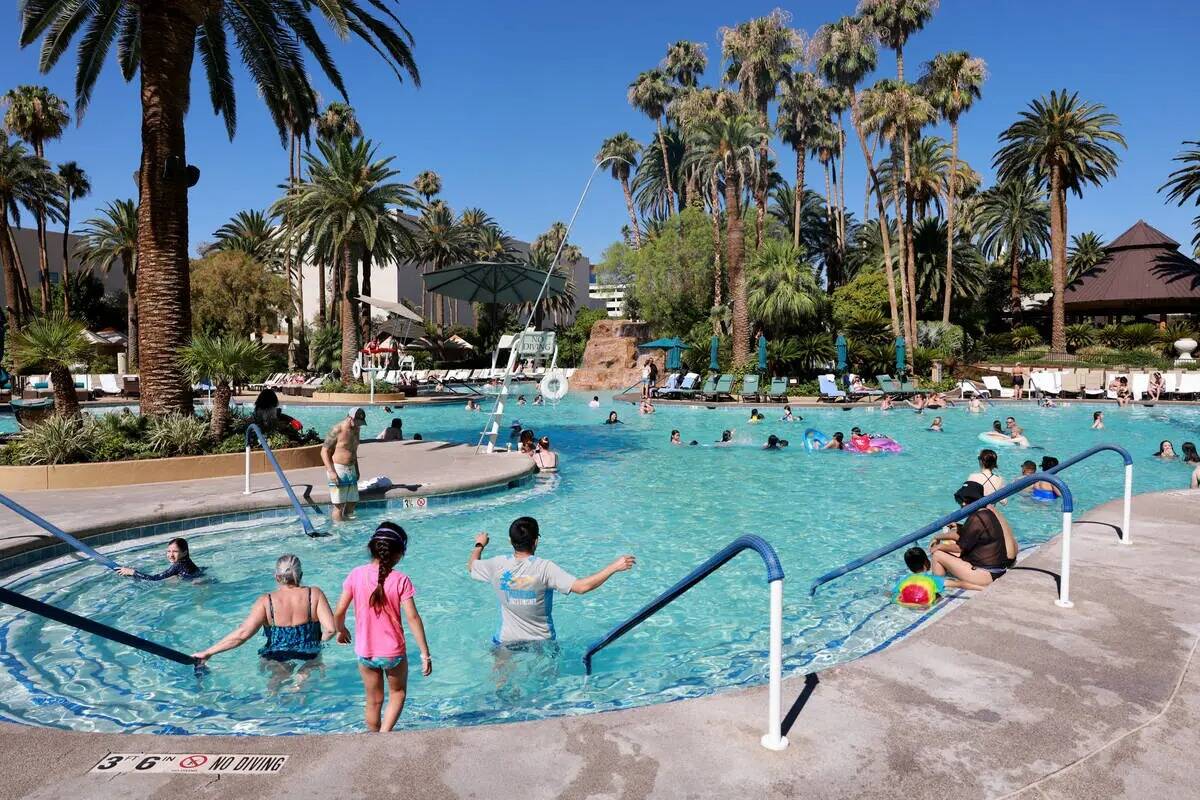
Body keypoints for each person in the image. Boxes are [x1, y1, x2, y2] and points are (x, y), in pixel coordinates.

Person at [468, 517, 635, 646]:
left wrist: (480, 544)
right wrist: (614, 566)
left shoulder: (496, 565)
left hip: (506, 640)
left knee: (501, 680)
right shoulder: (545, 568)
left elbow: (472, 566)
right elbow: (582, 587)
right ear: (536, 541)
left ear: (511, 541)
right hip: (542, 642)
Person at [334, 523, 432, 733]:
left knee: (373, 701)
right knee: (397, 694)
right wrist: (425, 654)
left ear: (372, 548)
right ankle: (386, 734)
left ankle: (373, 737)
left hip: (365, 652)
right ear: (398, 554)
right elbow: (413, 617)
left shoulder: (356, 575)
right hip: (393, 652)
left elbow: (339, 611)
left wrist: (341, 630)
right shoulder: (400, 580)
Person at [191, 555, 336, 676]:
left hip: (276, 654)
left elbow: (242, 635)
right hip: (308, 653)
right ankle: (301, 679)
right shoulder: (314, 594)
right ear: (301, 575)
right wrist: (316, 643)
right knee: (306, 678)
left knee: (275, 685)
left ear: (276, 577)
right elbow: (331, 629)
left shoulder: (266, 601)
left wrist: (208, 652)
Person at [929, 482, 1018, 589]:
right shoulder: (986, 513)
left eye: (964, 501)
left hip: (986, 574)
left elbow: (960, 547)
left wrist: (938, 546)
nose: (962, 504)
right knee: (946, 552)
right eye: (960, 501)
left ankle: (938, 587)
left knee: (938, 555)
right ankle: (943, 582)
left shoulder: (977, 517)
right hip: (996, 569)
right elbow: (971, 535)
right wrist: (940, 536)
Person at [322, 408, 366, 522]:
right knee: (339, 505)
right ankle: (338, 531)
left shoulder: (357, 429)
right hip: (338, 469)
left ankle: (349, 527)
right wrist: (331, 472)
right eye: (357, 422)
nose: (358, 425)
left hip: (351, 469)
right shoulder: (337, 429)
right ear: (350, 418)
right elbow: (324, 451)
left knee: (352, 502)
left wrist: (357, 469)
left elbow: (353, 450)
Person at [116, 538, 203, 581]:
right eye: (169, 551)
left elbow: (155, 579)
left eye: (175, 551)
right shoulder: (187, 561)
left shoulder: (178, 565)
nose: (170, 555)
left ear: (184, 552)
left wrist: (133, 572)